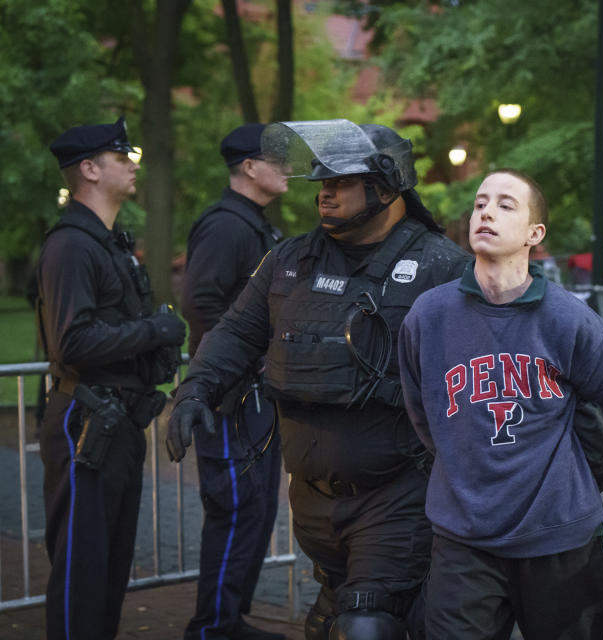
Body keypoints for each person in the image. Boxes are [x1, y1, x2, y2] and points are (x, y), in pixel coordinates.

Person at [164, 119, 471, 640]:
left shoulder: (442, 268)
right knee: (330, 620)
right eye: (322, 184)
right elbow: (237, 331)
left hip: (395, 497)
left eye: (340, 183)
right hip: (310, 501)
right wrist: (196, 389)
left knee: (367, 625)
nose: (325, 195)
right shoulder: (289, 260)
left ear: (386, 184)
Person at [397, 169, 603, 639]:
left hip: (561, 541)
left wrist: (564, 487)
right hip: (463, 541)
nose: (486, 211)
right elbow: (423, 415)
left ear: (535, 234)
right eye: (480, 202)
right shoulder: (428, 317)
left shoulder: (571, 321)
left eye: (505, 204)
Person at [37, 117, 186, 639]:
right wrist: (154, 328)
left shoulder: (106, 242)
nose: (132, 164)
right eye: (121, 156)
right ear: (90, 169)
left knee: (110, 566)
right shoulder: (73, 245)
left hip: (114, 421)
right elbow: (71, 344)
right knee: (84, 566)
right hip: (86, 423)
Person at [178, 123, 287, 640]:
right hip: (231, 397)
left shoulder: (253, 224)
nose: (286, 167)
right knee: (236, 509)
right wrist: (242, 366)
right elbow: (201, 304)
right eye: (276, 158)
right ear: (249, 167)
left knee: (255, 512)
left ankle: (230, 620)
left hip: (254, 396)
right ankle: (212, 627)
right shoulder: (227, 226)